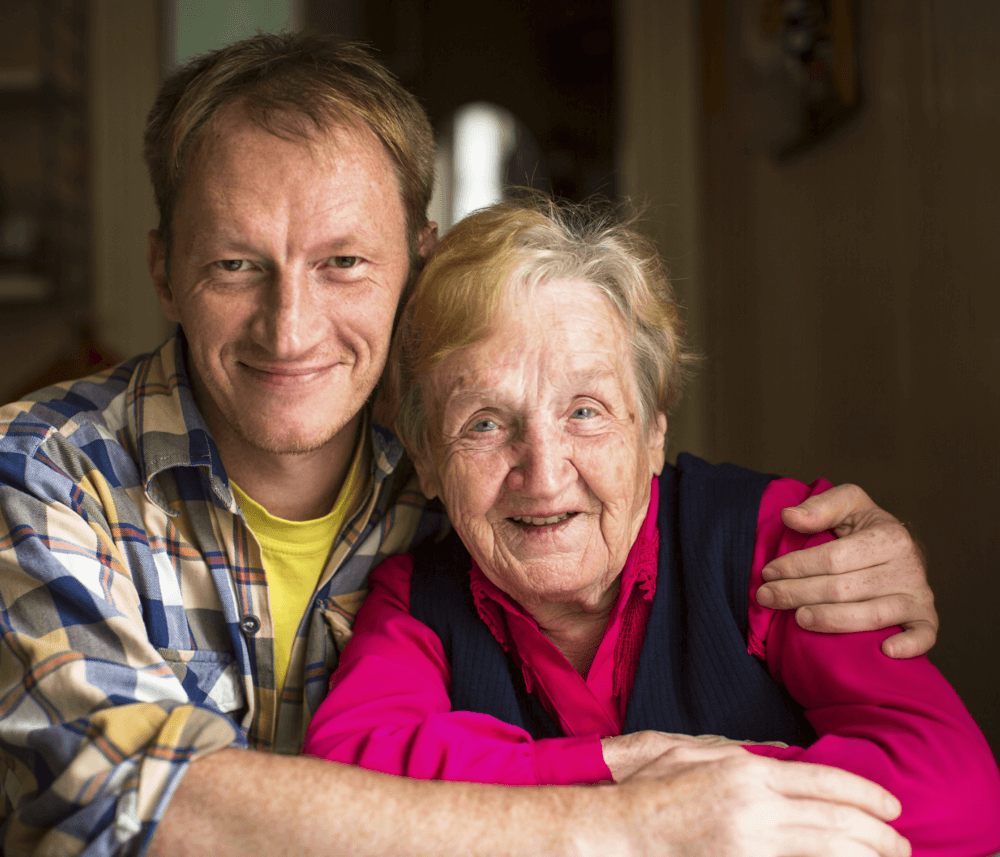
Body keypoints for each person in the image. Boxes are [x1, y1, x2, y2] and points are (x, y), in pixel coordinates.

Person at [0, 32, 936, 857]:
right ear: (164, 268)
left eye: (345, 263)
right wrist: (628, 822)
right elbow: (119, 798)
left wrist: (844, 560)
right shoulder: (42, 470)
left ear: (417, 258)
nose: (289, 329)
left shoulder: (470, 476)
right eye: (236, 265)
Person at [303, 197, 1000, 855]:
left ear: (654, 430)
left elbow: (958, 798)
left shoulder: (769, 539)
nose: (543, 474)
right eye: (485, 423)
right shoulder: (415, 597)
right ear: (427, 458)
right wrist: (636, 782)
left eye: (585, 411)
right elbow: (347, 785)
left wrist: (684, 794)